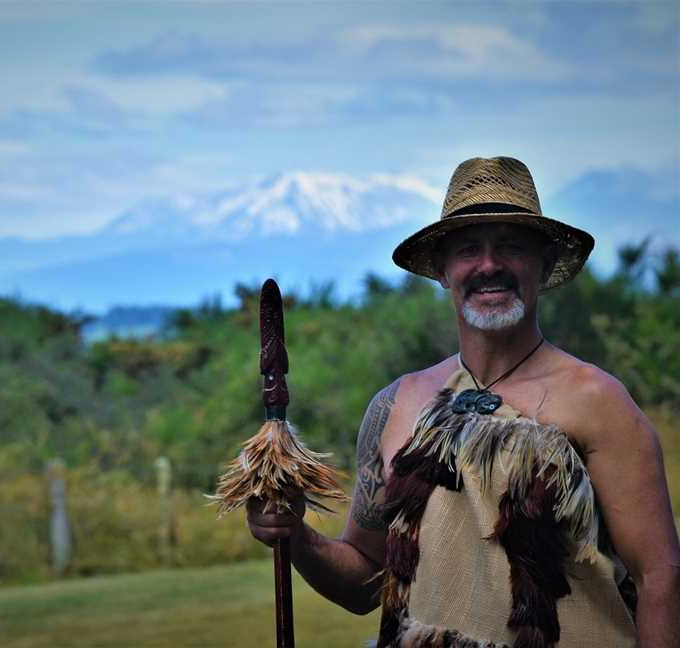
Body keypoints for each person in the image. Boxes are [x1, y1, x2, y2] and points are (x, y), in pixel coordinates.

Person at [247, 157, 680, 647]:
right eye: (469, 249)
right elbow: (366, 577)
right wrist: (296, 536)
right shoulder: (398, 404)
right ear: (443, 270)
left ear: (543, 265)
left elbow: (659, 578)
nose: (489, 265)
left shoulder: (597, 401)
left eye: (511, 247)